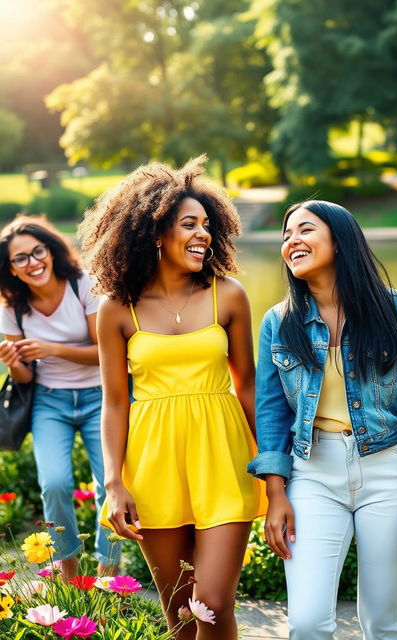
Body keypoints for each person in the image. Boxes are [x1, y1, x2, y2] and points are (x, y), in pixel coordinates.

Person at [80, 156, 266, 640]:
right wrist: (114, 481)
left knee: (213, 602)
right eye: (189, 224)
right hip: (153, 464)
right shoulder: (116, 308)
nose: (202, 233)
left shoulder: (229, 296)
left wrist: (272, 463)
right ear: (154, 232)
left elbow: (248, 385)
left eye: (207, 224)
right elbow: (115, 401)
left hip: (223, 459)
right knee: (181, 613)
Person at [248, 200, 397, 639]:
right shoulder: (278, 323)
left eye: (304, 230)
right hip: (312, 473)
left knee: (383, 620)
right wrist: (275, 493)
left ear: (340, 241)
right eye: (286, 235)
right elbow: (270, 411)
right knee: (306, 623)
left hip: (389, 469)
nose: (291, 241)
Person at [0, 215, 121, 578]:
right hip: (49, 402)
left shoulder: (84, 284)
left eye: (38, 251)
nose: (33, 262)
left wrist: (51, 348)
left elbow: (106, 352)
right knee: (53, 483)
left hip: (101, 397)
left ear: (51, 252)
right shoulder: (10, 307)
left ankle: (108, 571)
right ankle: (68, 571)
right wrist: (13, 363)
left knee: (110, 484)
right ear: (11, 270)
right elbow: (24, 376)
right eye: (20, 258)